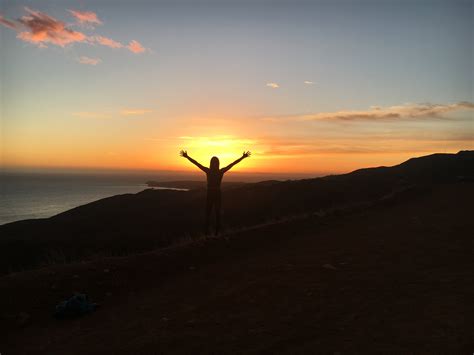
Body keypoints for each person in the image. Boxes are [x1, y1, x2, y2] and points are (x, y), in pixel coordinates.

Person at [180, 150, 251, 235]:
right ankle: (216, 232)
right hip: (217, 193)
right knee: (216, 213)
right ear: (218, 163)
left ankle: (208, 232)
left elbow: (196, 163)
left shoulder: (208, 171)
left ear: (211, 163)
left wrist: (187, 157)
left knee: (208, 213)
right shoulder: (220, 171)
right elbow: (232, 164)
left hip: (210, 193)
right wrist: (243, 157)